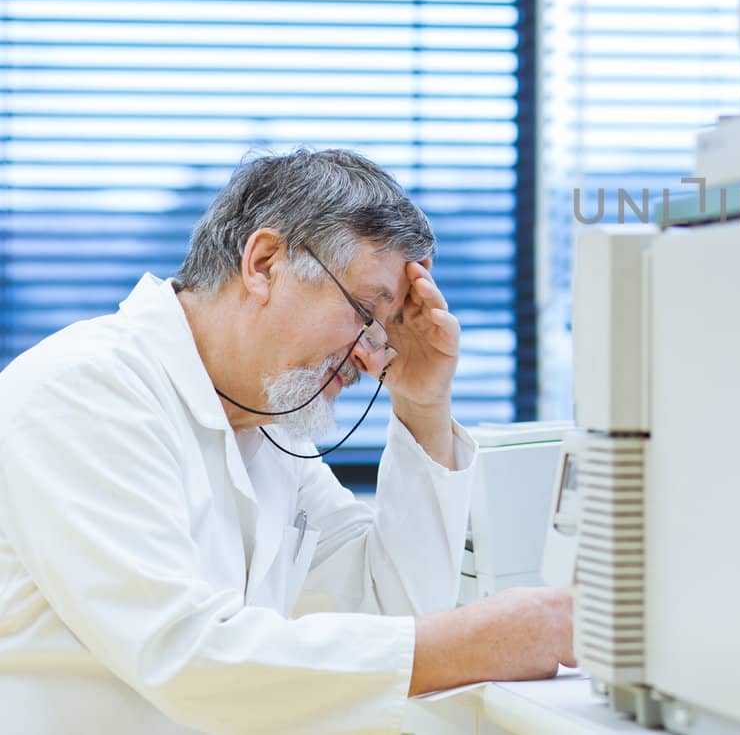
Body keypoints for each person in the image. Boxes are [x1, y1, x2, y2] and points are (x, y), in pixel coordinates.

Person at [0, 149, 575, 734]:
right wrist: (476, 645)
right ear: (265, 263)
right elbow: (188, 656)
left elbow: (388, 608)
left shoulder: (267, 424)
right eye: (363, 311)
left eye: (387, 329)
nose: (370, 355)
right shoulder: (82, 391)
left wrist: (423, 404)